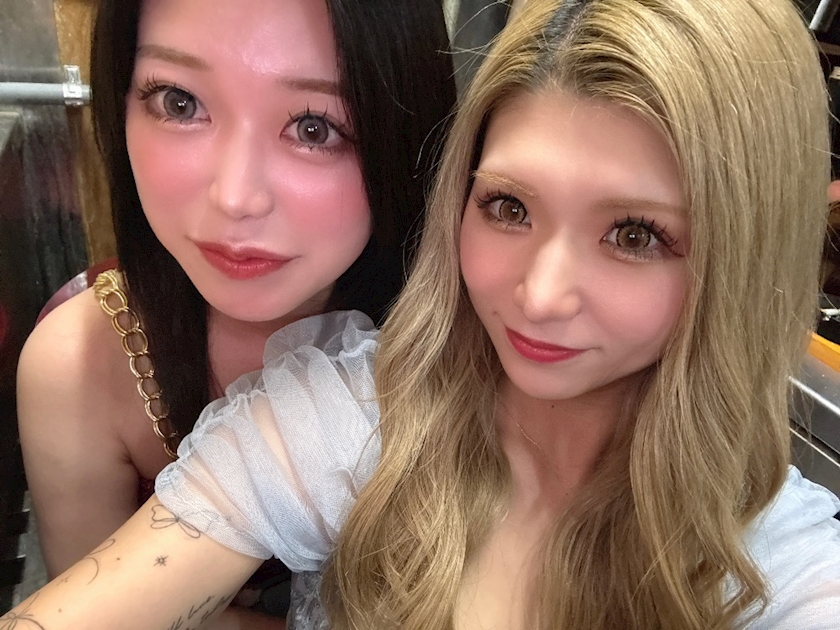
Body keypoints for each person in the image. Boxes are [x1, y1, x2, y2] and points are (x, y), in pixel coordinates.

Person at [6, 0, 840, 628]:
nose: (539, 297)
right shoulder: (350, 410)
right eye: (510, 206)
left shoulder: (787, 570)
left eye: (635, 235)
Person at [14, 0, 455, 624]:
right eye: (179, 103)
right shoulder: (79, 364)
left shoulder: (477, 342)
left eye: (314, 127)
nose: (236, 197)